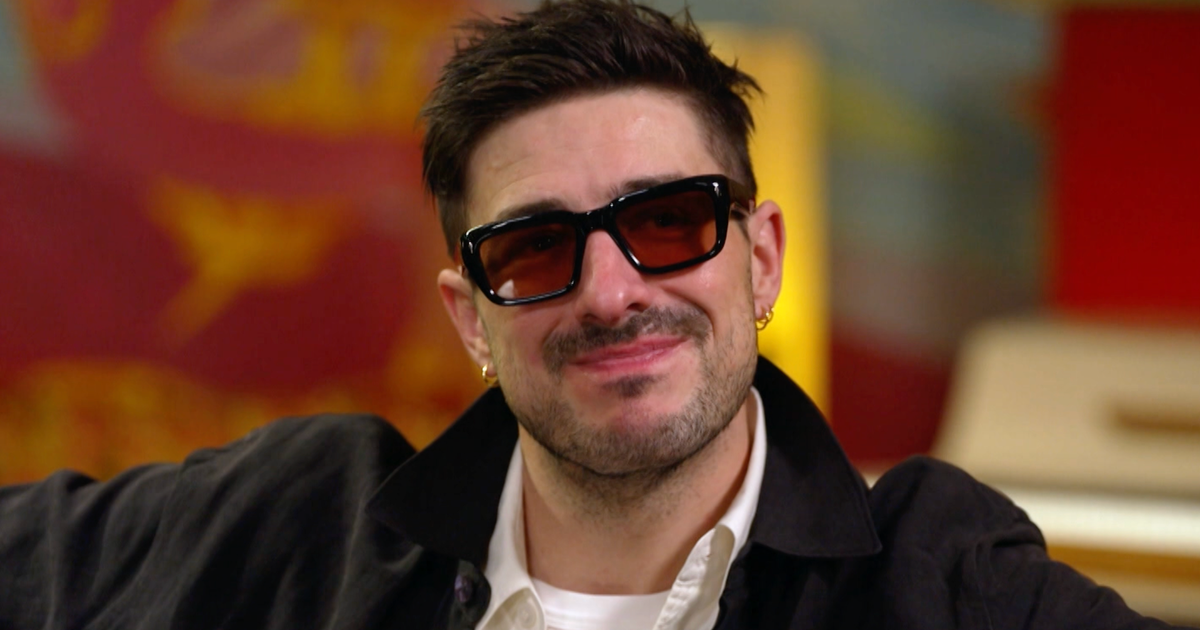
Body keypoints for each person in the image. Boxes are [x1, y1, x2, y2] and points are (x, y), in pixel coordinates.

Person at [0, 1, 1184, 629]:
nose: (613, 293)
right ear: (471, 317)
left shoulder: (940, 582)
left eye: (668, 221)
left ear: (762, 259)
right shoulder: (292, 525)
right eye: (535, 247)